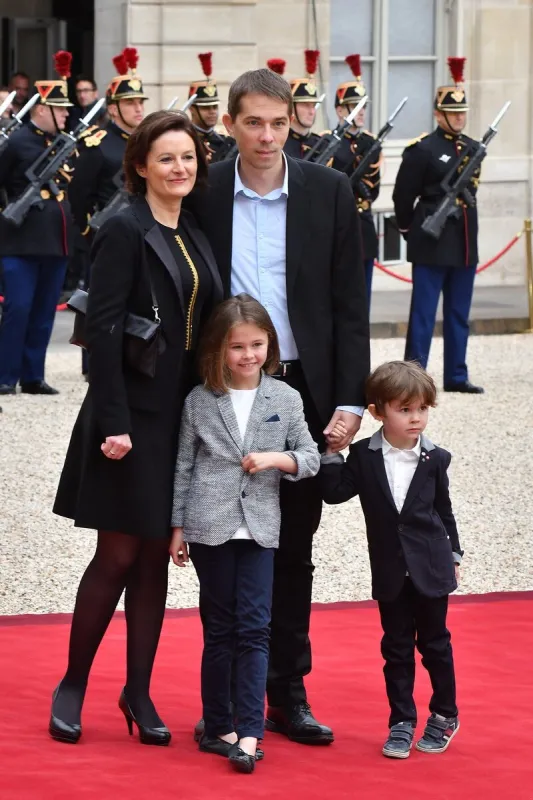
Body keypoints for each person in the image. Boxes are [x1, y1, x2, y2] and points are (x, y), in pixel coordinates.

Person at [190, 67, 370, 745]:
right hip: (226, 392)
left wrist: (351, 402)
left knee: (291, 551)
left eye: (277, 122)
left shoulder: (328, 191)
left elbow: (350, 309)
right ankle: (223, 698)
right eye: (252, 122)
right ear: (230, 124)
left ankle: (285, 693)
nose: (266, 136)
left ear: (293, 121)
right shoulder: (204, 191)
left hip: (304, 396)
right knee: (224, 550)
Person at [50, 110, 223, 746]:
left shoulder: (195, 231)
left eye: (188, 158)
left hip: (180, 416)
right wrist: (115, 422)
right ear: (141, 166)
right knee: (117, 553)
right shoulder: (123, 228)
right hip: (128, 419)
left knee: (155, 559)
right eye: (167, 158)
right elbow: (102, 330)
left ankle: (139, 690)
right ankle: (72, 682)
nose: (180, 168)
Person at [170, 294, 321, 773]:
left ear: (270, 346)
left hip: (260, 529)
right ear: (218, 349)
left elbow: (311, 457)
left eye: (257, 344)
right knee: (220, 629)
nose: (248, 355)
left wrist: (279, 459)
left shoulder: (286, 398)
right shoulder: (199, 400)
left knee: (256, 628)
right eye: (237, 346)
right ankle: (218, 725)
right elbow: (183, 466)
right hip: (208, 526)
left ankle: (250, 732)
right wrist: (176, 526)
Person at [320, 360, 462, 759]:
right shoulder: (363, 456)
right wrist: (332, 453)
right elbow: (336, 493)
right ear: (377, 412)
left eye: (422, 409)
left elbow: (444, 510)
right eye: (404, 409)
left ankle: (445, 714)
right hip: (389, 569)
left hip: (432, 565)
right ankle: (401, 721)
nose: (416, 418)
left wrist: (454, 552)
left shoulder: (437, 458)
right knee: (396, 648)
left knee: (435, 644)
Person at [393, 57, 484, 394]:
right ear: (438, 114)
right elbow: (404, 197)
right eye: (453, 112)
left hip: (463, 244)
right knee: (423, 315)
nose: (459, 117)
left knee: (459, 314)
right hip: (431, 243)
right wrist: (407, 229)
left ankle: (456, 375)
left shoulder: (473, 148)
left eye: (463, 112)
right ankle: (414, 378)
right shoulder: (422, 150)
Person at [69, 49, 148, 376]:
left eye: (141, 102)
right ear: (113, 108)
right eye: (131, 103)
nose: (139, 108)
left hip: (143, 231)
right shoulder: (97, 143)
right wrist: (89, 234)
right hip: (106, 233)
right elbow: (78, 197)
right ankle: (95, 363)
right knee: (102, 302)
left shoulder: (148, 141)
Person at [0, 52, 75, 397]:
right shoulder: (17, 143)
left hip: (54, 242)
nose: (65, 114)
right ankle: (5, 375)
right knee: (18, 308)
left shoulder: (61, 144)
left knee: (44, 312)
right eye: (60, 109)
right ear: (41, 109)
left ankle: (33, 375)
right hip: (20, 241)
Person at [331, 54, 381, 308]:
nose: (361, 113)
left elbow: (374, 188)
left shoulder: (371, 144)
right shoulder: (330, 143)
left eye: (363, 107)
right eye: (354, 107)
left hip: (362, 226)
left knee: (363, 301)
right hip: (337, 227)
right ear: (340, 110)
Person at [265, 52, 323, 160]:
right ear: (291, 107)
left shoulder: (320, 143)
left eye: (313, 105)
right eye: (305, 105)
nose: (311, 111)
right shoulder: (278, 143)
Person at [188, 52, 235, 162]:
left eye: (214, 107)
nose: (212, 112)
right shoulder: (185, 140)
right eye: (205, 107)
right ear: (192, 109)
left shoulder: (225, 142)